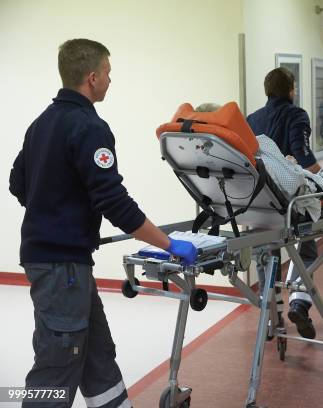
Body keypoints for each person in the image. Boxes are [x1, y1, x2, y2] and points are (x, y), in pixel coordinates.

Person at [9, 39, 197, 408]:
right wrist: (169, 244)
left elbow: (18, 183)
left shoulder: (41, 124)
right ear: (92, 78)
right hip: (63, 268)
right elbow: (115, 203)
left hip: (59, 263)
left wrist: (56, 210)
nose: (111, 80)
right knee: (56, 369)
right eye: (108, 73)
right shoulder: (89, 127)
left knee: (97, 357)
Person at [246, 67, 322, 339]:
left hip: (257, 202)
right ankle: (299, 302)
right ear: (291, 90)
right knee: (306, 251)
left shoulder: (251, 119)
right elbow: (302, 156)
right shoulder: (296, 114)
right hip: (291, 203)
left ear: (267, 90)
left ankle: (272, 317)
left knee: (266, 256)